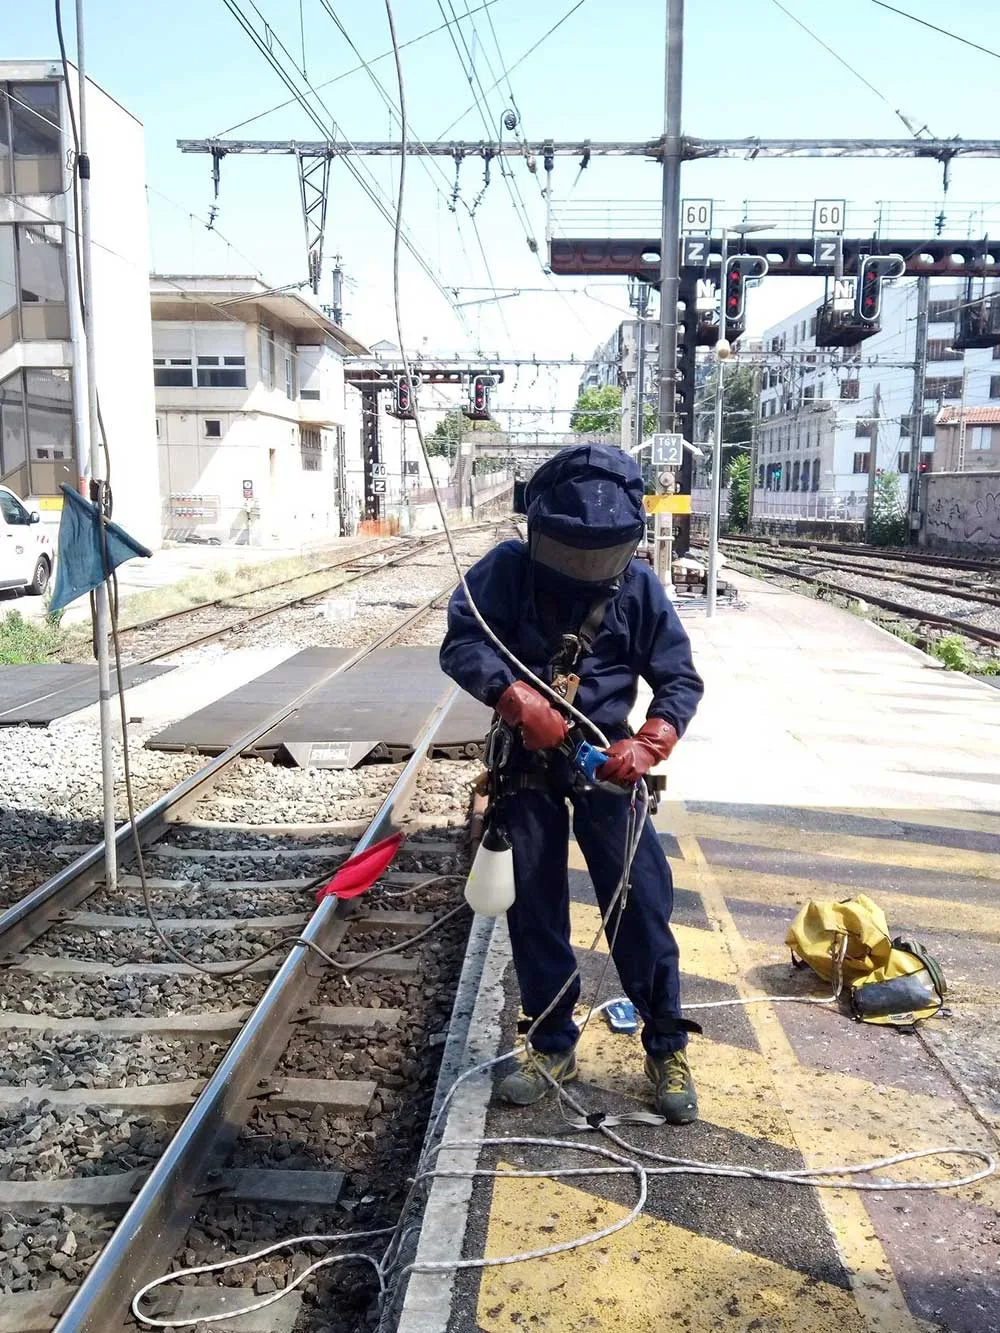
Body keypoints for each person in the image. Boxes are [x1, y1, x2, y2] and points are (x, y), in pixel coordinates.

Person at [439, 444, 704, 1123]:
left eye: (600, 553)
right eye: (571, 551)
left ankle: (665, 1042)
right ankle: (552, 1040)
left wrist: (649, 742)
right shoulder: (505, 572)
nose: (586, 567)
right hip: (528, 765)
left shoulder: (639, 588)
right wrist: (511, 697)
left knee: (640, 900)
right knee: (534, 904)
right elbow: (461, 641)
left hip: (606, 767)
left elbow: (679, 679)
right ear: (539, 531)